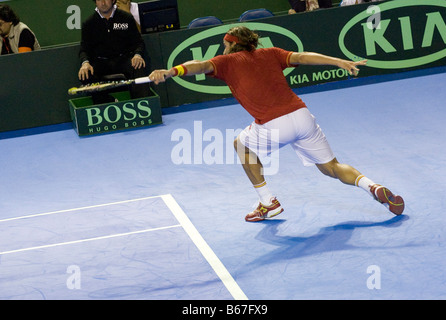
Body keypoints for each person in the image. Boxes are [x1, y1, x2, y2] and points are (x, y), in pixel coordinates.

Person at [149, 26, 405, 222]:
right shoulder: (271, 53)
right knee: (331, 166)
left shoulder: (225, 62)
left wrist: (171, 71)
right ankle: (373, 186)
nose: (223, 49)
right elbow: (303, 58)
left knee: (240, 144)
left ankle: (267, 201)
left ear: (232, 44)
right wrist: (339, 61)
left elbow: (200, 65)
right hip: (302, 117)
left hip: (273, 124)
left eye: (224, 44)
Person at [78, 0, 150, 103]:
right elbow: (84, 49)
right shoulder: (89, 23)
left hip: (123, 60)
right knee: (86, 73)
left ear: (113, 1)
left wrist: (137, 55)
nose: (103, 2)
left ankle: (142, 104)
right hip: (101, 63)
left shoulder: (126, 18)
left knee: (139, 66)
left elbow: (138, 42)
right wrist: (85, 63)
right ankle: (109, 102)